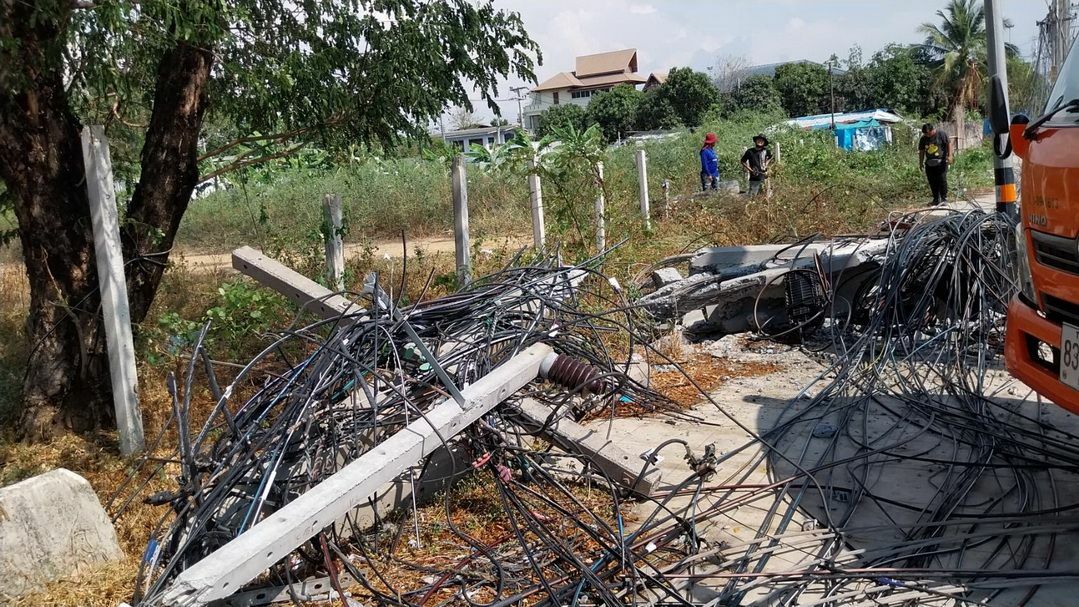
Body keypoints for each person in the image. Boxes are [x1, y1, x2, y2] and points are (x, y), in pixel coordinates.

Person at [918, 123, 953, 205]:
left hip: (941, 162)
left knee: (942, 180)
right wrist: (920, 162)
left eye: (928, 133)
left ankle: (944, 199)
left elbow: (949, 144)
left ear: (933, 130)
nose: (927, 135)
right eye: (925, 134)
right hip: (929, 163)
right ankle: (936, 199)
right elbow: (922, 151)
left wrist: (950, 156)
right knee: (932, 181)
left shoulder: (941, 134)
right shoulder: (923, 139)